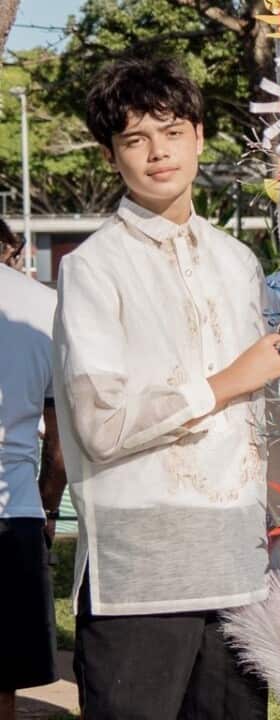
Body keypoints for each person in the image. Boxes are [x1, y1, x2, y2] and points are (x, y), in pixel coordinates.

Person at [56, 56, 280, 718]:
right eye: (135, 139)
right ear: (111, 156)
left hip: (239, 566)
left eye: (172, 130)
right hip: (141, 571)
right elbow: (101, 422)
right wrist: (222, 383)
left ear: (200, 135)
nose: (158, 152)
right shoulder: (95, 268)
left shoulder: (239, 262)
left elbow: (260, 416)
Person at [0, 220, 65, 720]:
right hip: (15, 509)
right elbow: (60, 440)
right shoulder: (43, 305)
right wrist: (46, 506)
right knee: (6, 681)